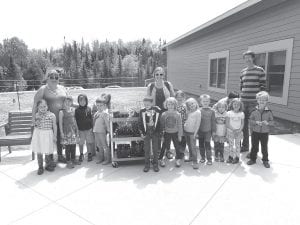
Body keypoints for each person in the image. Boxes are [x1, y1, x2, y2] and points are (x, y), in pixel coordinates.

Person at [32, 69, 68, 163]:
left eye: (56, 77)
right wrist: (33, 119)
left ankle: (60, 155)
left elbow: (68, 101)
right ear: (47, 78)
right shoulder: (42, 89)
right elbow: (35, 104)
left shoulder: (62, 88)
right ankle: (49, 158)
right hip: (47, 119)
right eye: (51, 77)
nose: (54, 79)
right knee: (49, 138)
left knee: (60, 137)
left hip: (61, 118)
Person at [240, 50, 266, 153]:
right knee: (243, 126)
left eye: (249, 57)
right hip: (243, 102)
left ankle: (254, 149)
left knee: (254, 126)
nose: (247, 59)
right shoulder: (243, 72)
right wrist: (240, 99)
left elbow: (263, 87)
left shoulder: (260, 70)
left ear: (253, 58)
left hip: (254, 103)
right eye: (245, 58)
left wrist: (261, 102)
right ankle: (245, 146)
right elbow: (241, 87)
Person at [147, 67, 175, 159]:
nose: (159, 76)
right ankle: (158, 151)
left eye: (161, 74)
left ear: (164, 75)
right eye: (157, 74)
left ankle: (168, 150)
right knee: (157, 133)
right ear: (154, 75)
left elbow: (173, 97)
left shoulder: (168, 84)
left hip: (167, 112)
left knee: (168, 132)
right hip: (155, 113)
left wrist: (174, 110)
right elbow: (148, 100)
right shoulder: (150, 86)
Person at [247, 91, 274, 168]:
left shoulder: (269, 111)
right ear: (257, 100)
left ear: (267, 101)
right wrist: (255, 122)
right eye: (260, 99)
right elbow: (250, 120)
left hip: (265, 133)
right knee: (254, 146)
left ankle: (265, 160)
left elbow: (272, 122)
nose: (262, 101)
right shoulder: (254, 111)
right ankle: (252, 159)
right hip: (255, 132)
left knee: (264, 147)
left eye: (264, 100)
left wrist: (267, 123)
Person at [31, 99, 57, 175]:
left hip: (48, 134)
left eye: (44, 106)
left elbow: (54, 126)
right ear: (38, 108)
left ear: (47, 106)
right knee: (39, 151)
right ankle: (40, 167)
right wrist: (36, 122)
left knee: (47, 151)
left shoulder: (52, 115)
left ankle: (48, 165)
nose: (43, 108)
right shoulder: (37, 115)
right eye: (40, 107)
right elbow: (35, 125)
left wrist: (55, 136)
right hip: (39, 134)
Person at [138, 96, 161, 172]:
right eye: (145, 104)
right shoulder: (142, 111)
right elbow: (140, 122)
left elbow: (160, 122)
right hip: (146, 131)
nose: (146, 106)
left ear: (152, 103)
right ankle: (147, 165)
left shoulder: (157, 110)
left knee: (155, 149)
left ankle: (155, 164)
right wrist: (141, 132)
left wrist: (160, 132)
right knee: (147, 149)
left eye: (148, 104)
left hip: (155, 131)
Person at [159, 97, 183, 167]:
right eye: (169, 104)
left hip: (175, 133)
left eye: (172, 104)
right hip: (167, 133)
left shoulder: (178, 114)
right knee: (164, 146)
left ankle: (178, 159)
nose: (171, 106)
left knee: (177, 147)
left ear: (175, 105)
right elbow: (162, 125)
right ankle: (161, 159)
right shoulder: (164, 114)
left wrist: (180, 135)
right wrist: (162, 135)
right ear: (166, 105)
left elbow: (180, 125)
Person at [59, 96, 80, 169]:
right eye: (66, 101)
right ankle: (68, 161)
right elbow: (60, 123)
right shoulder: (61, 112)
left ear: (71, 103)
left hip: (73, 131)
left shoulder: (73, 110)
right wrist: (61, 132)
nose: (68, 103)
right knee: (67, 148)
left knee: (73, 146)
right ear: (64, 103)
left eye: (69, 101)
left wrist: (77, 130)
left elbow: (75, 121)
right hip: (66, 132)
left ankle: (73, 159)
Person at [75, 94, 95, 162]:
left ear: (86, 101)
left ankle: (89, 154)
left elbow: (91, 118)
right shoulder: (77, 110)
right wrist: (77, 129)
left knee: (89, 142)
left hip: (88, 129)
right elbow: (76, 120)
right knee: (81, 143)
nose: (82, 102)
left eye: (84, 100)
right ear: (78, 101)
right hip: (80, 130)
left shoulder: (89, 108)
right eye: (80, 100)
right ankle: (81, 154)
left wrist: (92, 127)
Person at [198, 94, 216, 165]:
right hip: (200, 131)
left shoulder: (212, 111)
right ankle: (202, 157)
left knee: (207, 145)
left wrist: (214, 131)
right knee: (201, 145)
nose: (205, 102)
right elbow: (197, 122)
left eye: (207, 101)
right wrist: (196, 132)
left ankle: (209, 159)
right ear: (201, 102)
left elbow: (213, 122)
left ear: (209, 102)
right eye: (204, 101)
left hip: (208, 131)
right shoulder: (199, 110)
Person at [184, 98, 201, 169]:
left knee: (193, 147)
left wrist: (195, 133)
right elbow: (186, 120)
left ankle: (195, 162)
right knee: (189, 146)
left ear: (196, 103)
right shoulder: (188, 112)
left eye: (193, 103)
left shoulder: (198, 112)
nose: (191, 105)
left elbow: (198, 124)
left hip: (192, 133)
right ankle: (191, 157)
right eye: (189, 104)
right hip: (186, 131)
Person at [226, 98, 244, 164]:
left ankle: (237, 157)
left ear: (240, 106)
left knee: (237, 145)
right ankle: (230, 156)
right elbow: (227, 123)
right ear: (232, 105)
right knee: (231, 145)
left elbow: (242, 123)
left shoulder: (241, 114)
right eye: (234, 104)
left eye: (238, 104)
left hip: (238, 132)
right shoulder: (229, 113)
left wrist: (239, 130)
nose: (236, 106)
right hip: (231, 132)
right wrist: (233, 130)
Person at [93, 97, 110, 165]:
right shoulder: (96, 113)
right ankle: (101, 158)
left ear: (104, 105)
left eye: (101, 105)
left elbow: (107, 123)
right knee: (99, 145)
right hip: (96, 131)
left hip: (101, 132)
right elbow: (94, 122)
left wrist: (108, 130)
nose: (99, 107)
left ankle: (107, 159)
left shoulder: (104, 113)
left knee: (104, 145)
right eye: (97, 106)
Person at [175, 90, 187, 161]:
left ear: (184, 98)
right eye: (178, 97)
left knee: (183, 139)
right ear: (175, 98)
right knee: (177, 139)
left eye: (181, 97)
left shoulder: (185, 106)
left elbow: (187, 115)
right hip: (176, 126)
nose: (179, 98)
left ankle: (181, 152)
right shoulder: (174, 106)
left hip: (183, 125)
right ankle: (178, 152)